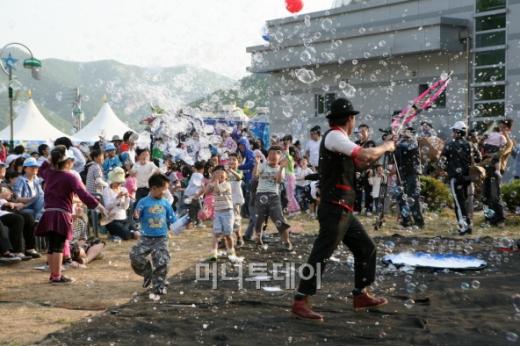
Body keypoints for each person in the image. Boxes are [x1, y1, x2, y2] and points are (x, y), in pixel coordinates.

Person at [292, 98, 395, 321]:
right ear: (350, 119)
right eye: (354, 119)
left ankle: (361, 294)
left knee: (366, 248)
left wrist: (378, 154)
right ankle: (300, 299)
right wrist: (386, 146)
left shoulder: (339, 138)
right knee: (321, 254)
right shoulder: (336, 136)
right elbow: (365, 156)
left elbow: (360, 163)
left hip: (343, 208)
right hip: (334, 208)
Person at [36, 145, 106, 284]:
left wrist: (50, 158)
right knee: (58, 247)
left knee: (51, 246)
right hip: (61, 215)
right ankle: (57, 276)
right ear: (67, 162)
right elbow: (83, 194)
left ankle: (53, 274)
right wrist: (98, 205)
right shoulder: (69, 177)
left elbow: (42, 169)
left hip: (48, 214)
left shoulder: (49, 174)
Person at [130, 174, 177, 295]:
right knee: (135, 255)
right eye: (163, 189)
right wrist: (136, 216)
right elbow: (136, 216)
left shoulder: (165, 203)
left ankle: (159, 285)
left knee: (162, 261)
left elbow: (173, 220)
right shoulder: (143, 202)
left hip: (161, 237)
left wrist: (184, 221)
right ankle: (147, 272)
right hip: (146, 237)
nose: (165, 192)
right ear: (153, 188)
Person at [441, 121, 481, 235]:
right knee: (465, 201)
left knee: (459, 203)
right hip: (467, 177)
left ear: (457, 132)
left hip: (455, 177)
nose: (452, 133)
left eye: (453, 131)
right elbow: (479, 158)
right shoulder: (470, 144)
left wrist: (446, 168)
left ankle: (463, 227)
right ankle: (468, 225)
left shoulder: (450, 144)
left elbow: (442, 161)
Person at [253, 145, 293, 251]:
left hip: (273, 196)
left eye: (275, 155)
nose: (272, 156)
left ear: (279, 158)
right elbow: (255, 176)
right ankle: (258, 239)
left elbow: (278, 181)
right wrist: (257, 164)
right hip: (260, 194)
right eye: (270, 154)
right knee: (259, 219)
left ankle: (286, 242)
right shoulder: (263, 165)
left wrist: (281, 168)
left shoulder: (280, 168)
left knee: (279, 219)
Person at [482, 119, 514, 226]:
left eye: (504, 127)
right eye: (500, 127)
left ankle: (500, 219)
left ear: (509, 129)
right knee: (485, 195)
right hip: (487, 168)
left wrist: (489, 155)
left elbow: (499, 154)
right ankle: (488, 219)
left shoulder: (508, 142)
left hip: (497, 170)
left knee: (495, 195)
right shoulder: (493, 138)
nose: (501, 129)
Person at [204, 166, 239, 261]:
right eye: (217, 174)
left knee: (228, 234)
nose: (219, 176)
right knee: (216, 233)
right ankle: (213, 253)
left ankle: (231, 251)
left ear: (226, 177)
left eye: (222, 175)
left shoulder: (227, 184)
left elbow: (218, 190)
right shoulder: (214, 183)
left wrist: (215, 181)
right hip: (218, 212)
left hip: (228, 212)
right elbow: (206, 192)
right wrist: (212, 180)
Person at [394, 127, 424, 228]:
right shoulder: (399, 143)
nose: (404, 133)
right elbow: (395, 156)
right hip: (401, 173)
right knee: (401, 197)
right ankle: (406, 220)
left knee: (413, 197)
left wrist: (396, 143)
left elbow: (407, 147)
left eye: (407, 132)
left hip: (412, 173)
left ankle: (418, 221)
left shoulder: (413, 142)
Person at [102, 167, 140, 240]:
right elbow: (107, 207)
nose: (119, 184)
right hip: (112, 220)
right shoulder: (106, 190)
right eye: (118, 182)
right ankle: (123, 233)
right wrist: (117, 198)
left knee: (137, 233)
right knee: (127, 235)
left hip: (124, 219)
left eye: (120, 182)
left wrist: (127, 198)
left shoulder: (123, 189)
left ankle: (122, 233)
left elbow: (125, 207)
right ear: (113, 180)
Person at [354, 123, 376, 215]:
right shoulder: (356, 143)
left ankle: (368, 209)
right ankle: (357, 209)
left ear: (368, 132)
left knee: (369, 191)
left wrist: (371, 169)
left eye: (363, 131)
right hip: (358, 170)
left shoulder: (371, 143)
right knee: (357, 190)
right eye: (360, 131)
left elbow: (374, 157)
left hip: (368, 170)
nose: (361, 133)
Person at [226, 153, 245, 247]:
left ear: (239, 162)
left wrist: (231, 171)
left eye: (234, 159)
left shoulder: (239, 171)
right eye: (230, 159)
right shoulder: (225, 173)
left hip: (236, 200)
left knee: (236, 220)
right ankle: (226, 239)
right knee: (226, 219)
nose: (231, 161)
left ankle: (239, 238)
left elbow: (239, 177)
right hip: (227, 200)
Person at [182, 161, 205, 228]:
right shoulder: (200, 176)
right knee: (199, 209)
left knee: (192, 210)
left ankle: (192, 223)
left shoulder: (194, 174)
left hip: (188, 194)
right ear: (202, 169)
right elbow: (200, 186)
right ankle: (198, 223)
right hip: (195, 195)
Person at [283, 135, 300, 216]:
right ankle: (293, 210)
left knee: (290, 195)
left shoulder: (290, 158)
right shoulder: (291, 158)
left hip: (289, 177)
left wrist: (287, 144)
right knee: (289, 194)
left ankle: (294, 210)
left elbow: (286, 152)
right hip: (290, 177)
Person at [238, 137, 255, 218]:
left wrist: (239, 167)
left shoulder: (249, 153)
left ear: (245, 145)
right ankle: (246, 213)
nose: (240, 147)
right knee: (245, 196)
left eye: (242, 145)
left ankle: (250, 213)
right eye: (239, 145)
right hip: (245, 178)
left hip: (250, 178)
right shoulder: (243, 154)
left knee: (249, 196)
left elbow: (251, 164)